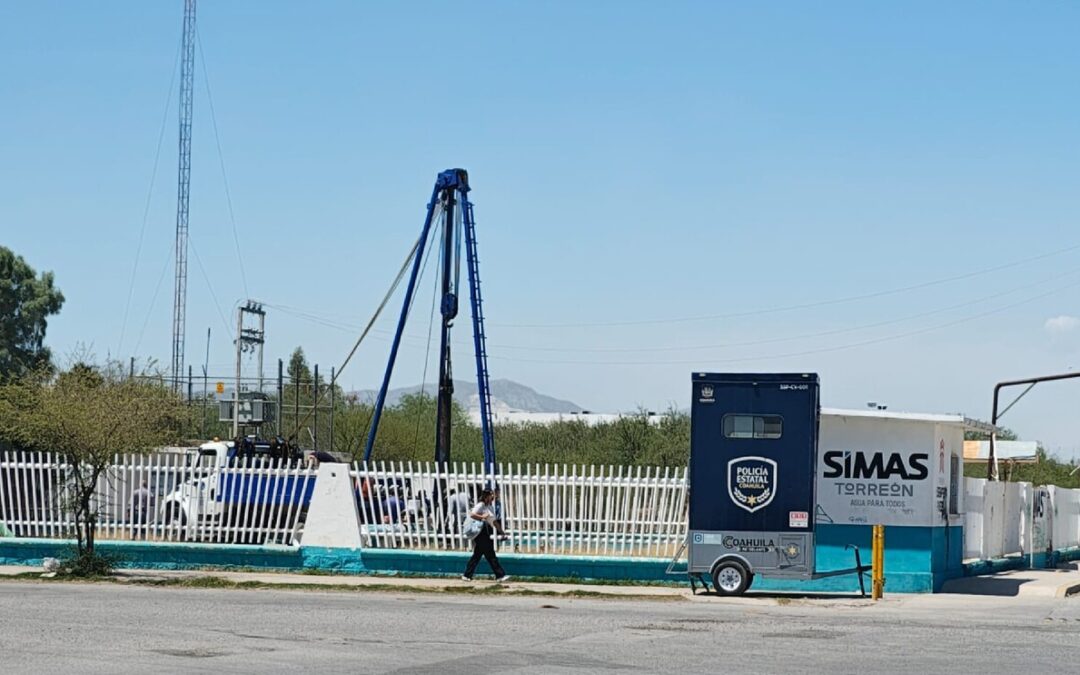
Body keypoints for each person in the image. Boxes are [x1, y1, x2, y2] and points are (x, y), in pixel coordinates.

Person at [461, 489, 510, 582]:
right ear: (486, 496)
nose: (494, 497)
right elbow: (472, 514)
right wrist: (482, 517)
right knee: (490, 554)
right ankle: (500, 575)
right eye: (492, 495)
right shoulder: (481, 505)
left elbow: (494, 521)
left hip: (485, 532)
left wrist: (502, 532)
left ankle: (467, 575)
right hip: (479, 533)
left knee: (477, 555)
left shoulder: (489, 507)